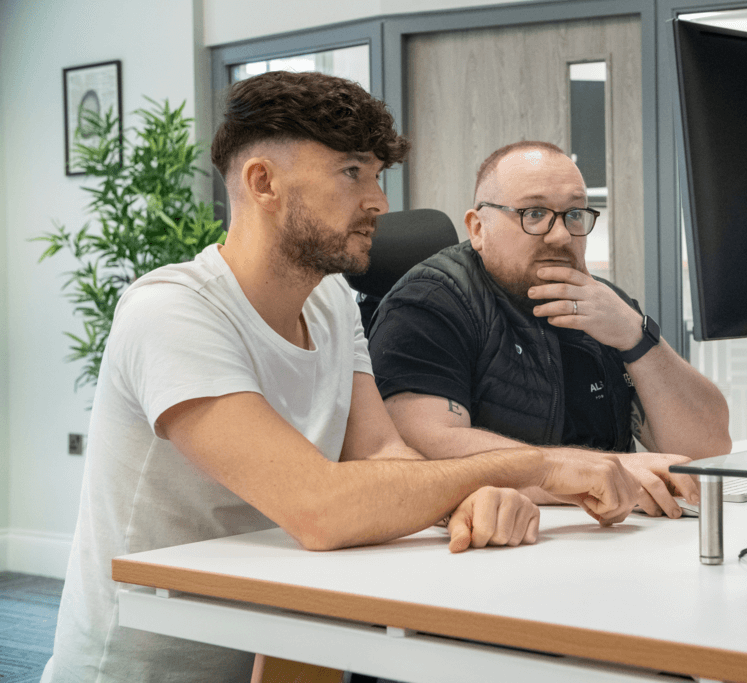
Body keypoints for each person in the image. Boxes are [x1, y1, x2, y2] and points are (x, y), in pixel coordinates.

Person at [42, 77, 640, 683]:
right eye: (352, 172)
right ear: (262, 183)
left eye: (378, 175)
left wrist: (458, 497)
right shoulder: (172, 313)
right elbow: (319, 507)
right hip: (146, 665)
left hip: (281, 636)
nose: (379, 200)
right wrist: (529, 467)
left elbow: (381, 451)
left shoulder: (329, 300)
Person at [367, 141, 732, 518]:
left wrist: (638, 337)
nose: (560, 236)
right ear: (478, 228)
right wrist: (587, 476)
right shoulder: (430, 301)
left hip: (609, 539)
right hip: (485, 551)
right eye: (534, 213)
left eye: (574, 214)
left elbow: (707, 452)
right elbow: (422, 448)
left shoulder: (604, 306)